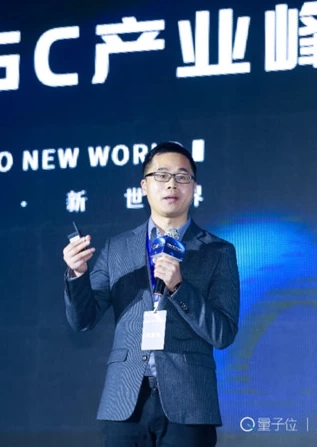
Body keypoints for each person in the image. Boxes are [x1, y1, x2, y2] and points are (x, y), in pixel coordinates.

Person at [63, 141, 240, 447]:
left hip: (190, 402)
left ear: (194, 187)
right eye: (162, 175)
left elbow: (223, 333)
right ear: (144, 186)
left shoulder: (218, 251)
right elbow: (83, 320)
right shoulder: (118, 248)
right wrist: (77, 274)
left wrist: (179, 288)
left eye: (182, 176)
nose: (172, 183)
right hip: (125, 401)